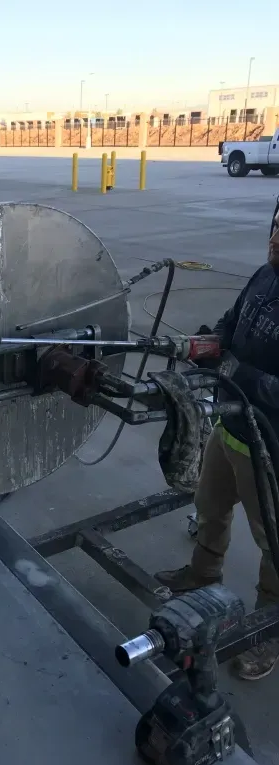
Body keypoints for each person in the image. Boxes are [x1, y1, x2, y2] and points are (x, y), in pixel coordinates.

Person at [155, 206, 279, 681]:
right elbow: (231, 323)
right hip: (229, 428)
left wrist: (235, 372)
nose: (276, 238)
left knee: (273, 543)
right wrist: (206, 343)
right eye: (277, 226)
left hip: (270, 446)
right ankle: (202, 576)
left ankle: (268, 628)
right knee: (209, 507)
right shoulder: (265, 276)